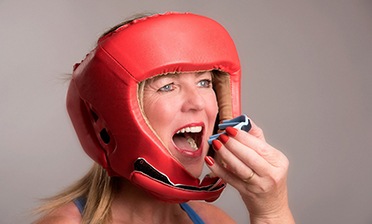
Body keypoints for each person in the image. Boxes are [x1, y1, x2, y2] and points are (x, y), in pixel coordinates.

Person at [34, 12, 295, 224]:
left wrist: (271, 211)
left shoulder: (211, 220)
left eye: (205, 82)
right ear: (111, 119)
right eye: (167, 86)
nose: (198, 103)